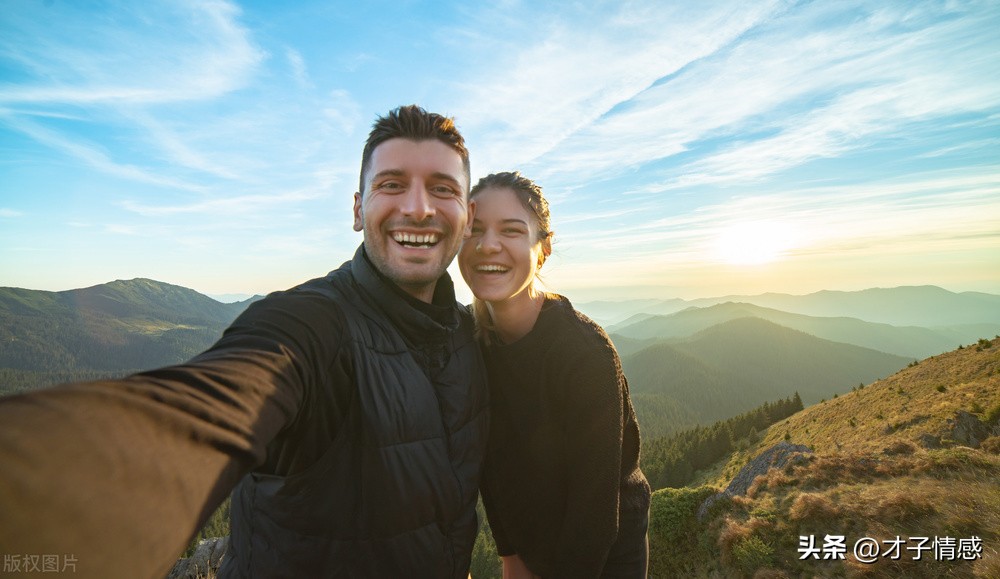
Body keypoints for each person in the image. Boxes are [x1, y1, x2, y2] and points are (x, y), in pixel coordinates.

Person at [0, 105, 489, 579]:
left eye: (441, 189)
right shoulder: (313, 321)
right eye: (391, 184)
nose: (418, 208)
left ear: (466, 218)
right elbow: (206, 406)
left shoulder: (471, 336)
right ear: (359, 210)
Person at [458, 172, 651, 579]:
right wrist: (510, 553)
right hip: (531, 543)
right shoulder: (473, 345)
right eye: (473, 230)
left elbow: (596, 512)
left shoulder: (584, 354)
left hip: (606, 555)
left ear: (543, 249)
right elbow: (490, 463)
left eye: (511, 230)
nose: (487, 244)